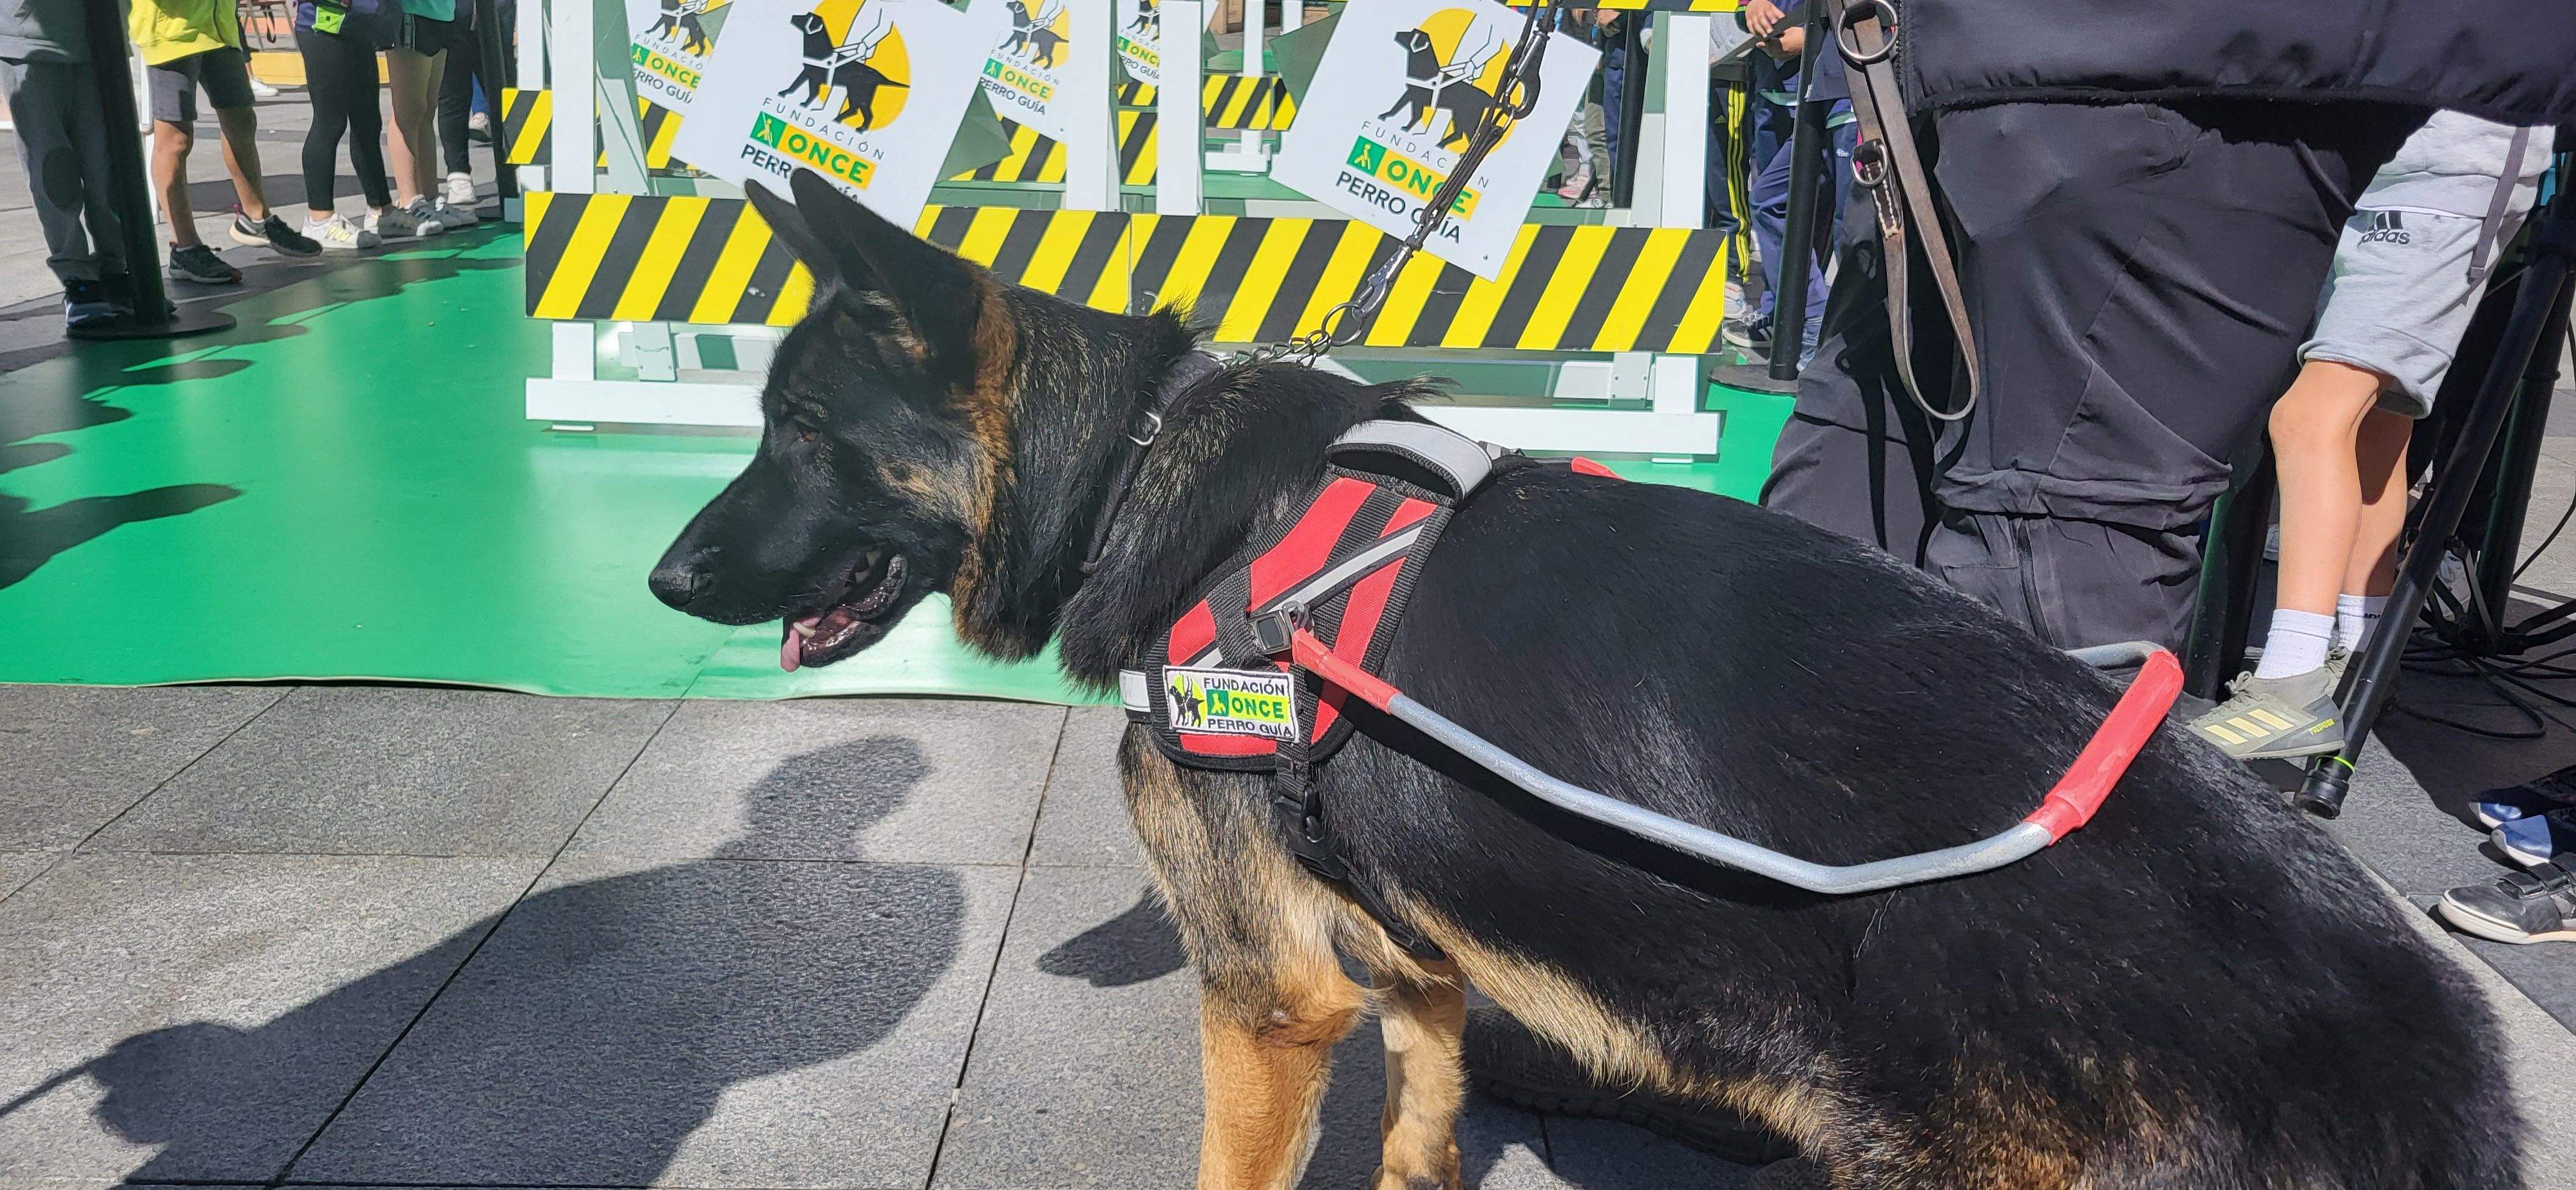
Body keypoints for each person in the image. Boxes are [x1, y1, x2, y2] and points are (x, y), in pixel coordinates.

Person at [2186, 113, 2552, 761]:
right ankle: (2360, 659)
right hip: (2396, 163)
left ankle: (2291, 682)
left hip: (2448, 170)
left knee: (2306, 418)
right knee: (2377, 428)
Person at [130, 0, 321, 283]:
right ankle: (185, 247)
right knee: (176, 138)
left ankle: (256, 219)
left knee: (242, 120)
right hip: (172, 31)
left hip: (221, 27)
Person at [1727, 0, 1850, 367]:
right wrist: (1751, 10)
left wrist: (1816, 35)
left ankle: (1823, 327)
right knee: (1781, 204)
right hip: (1781, 90)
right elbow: (1739, 11)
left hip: (1843, 91)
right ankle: (1793, 316)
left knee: (1847, 224)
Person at [0, 0, 129, 328]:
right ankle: (77, 276)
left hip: (104, 36)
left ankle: (117, 268)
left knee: (109, 167)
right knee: (53, 168)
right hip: (31, 39)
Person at [292, 0, 391, 249]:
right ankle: (319, 219)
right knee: (329, 122)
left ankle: (382, 210)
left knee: (368, 122)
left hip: (358, 27)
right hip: (323, 27)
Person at [374, 0, 460, 240]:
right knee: (409, 109)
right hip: (410, 12)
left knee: (427, 108)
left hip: (441, 12)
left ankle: (431, 199)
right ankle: (410, 200)